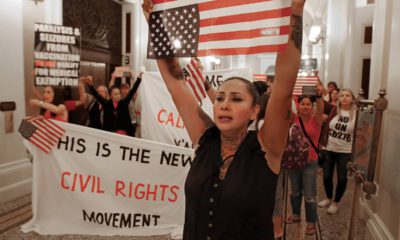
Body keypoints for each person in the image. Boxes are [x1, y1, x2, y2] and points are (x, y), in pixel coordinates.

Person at [142, 0, 305, 238]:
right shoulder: (205, 139)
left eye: (236, 99)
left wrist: (295, 12)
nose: (224, 104)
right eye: (220, 98)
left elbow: (284, 85)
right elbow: (176, 80)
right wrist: (155, 24)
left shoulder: (266, 148)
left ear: (254, 111)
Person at [286, 87, 324, 236]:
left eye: (308, 104)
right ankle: (296, 214)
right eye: (303, 104)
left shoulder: (317, 120)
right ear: (298, 105)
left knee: (309, 194)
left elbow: (320, 107)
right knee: (295, 190)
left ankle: (310, 222)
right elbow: (284, 106)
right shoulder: (293, 118)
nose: (306, 106)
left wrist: (319, 96)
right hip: (294, 160)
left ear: (312, 107)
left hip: (310, 161)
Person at [318, 89, 356, 214]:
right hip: (329, 148)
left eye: (347, 95)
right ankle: (329, 198)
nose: (344, 98)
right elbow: (322, 105)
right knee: (327, 176)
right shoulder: (334, 110)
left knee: (342, 178)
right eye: (342, 95)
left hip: (345, 151)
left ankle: (336, 202)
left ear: (352, 98)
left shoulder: (357, 113)